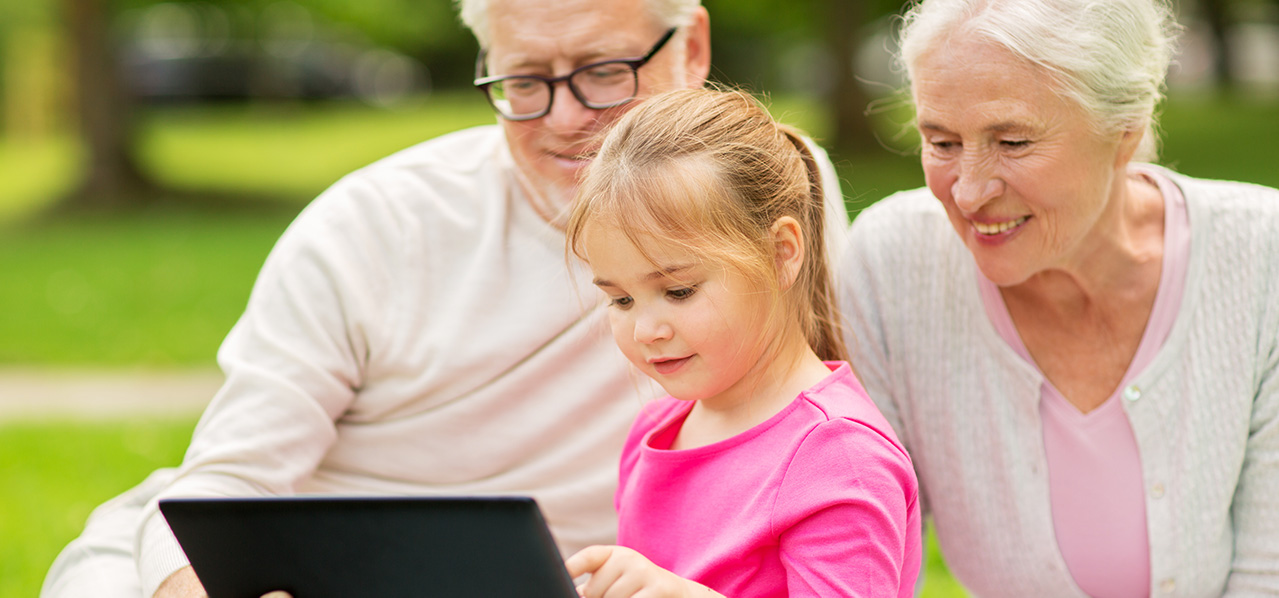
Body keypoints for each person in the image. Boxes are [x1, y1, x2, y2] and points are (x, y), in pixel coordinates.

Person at [40, 1, 851, 597]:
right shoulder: (374, 226)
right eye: (525, 82)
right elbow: (223, 483)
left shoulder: (774, 193)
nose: (568, 118)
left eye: (605, 72)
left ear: (693, 45)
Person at [839, 0, 1279, 596]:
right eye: (941, 142)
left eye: (1013, 141)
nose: (968, 192)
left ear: (1124, 129)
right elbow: (865, 554)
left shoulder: (1260, 255)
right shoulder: (890, 264)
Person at [560, 87, 922, 598]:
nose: (646, 330)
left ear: (782, 254)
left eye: (678, 290)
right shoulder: (659, 429)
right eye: (621, 300)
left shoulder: (839, 456)